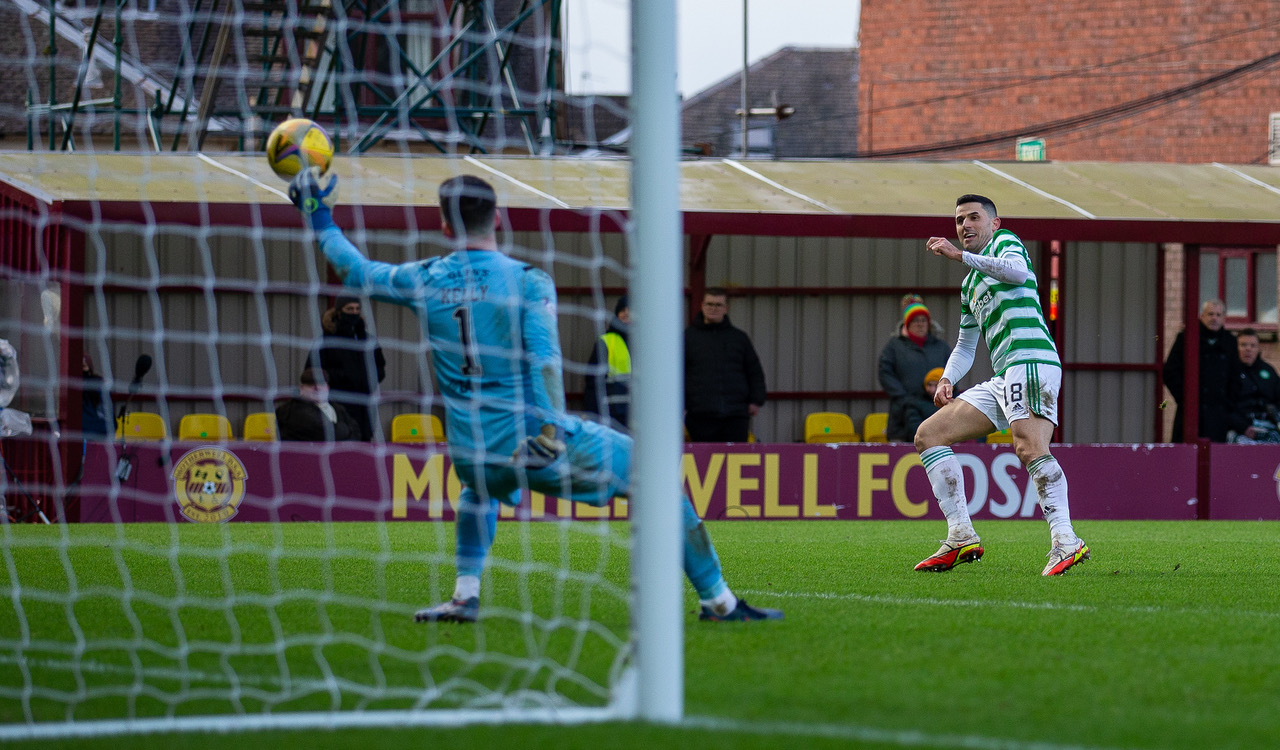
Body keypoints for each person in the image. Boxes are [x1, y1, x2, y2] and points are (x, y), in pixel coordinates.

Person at [288, 168, 782, 623]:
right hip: (532, 440)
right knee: (653, 477)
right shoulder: (528, 280)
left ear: (443, 225)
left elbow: (355, 269)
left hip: (472, 452)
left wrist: (318, 214)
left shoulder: (423, 278)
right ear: (498, 218)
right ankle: (719, 601)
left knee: (478, 491)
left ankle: (464, 595)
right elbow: (545, 358)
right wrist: (551, 429)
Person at [915, 194, 1089, 577]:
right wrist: (947, 377)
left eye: (973, 217)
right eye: (959, 220)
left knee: (1029, 448)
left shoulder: (1005, 242)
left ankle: (1066, 539)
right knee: (929, 435)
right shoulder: (969, 285)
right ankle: (961, 535)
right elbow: (966, 345)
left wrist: (960, 256)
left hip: (1031, 360)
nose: (965, 225)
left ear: (994, 223)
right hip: (1004, 374)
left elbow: (1017, 273)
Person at [683, 288, 767, 442]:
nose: (713, 308)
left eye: (718, 305)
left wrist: (756, 400)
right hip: (700, 416)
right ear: (702, 306)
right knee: (704, 457)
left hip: (736, 416)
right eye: (709, 304)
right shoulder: (687, 338)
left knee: (736, 456)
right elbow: (677, 374)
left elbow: (754, 371)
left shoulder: (739, 338)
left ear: (726, 308)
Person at [307, 295, 386, 441]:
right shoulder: (326, 341)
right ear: (338, 312)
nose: (354, 312)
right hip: (335, 404)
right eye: (349, 309)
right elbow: (312, 372)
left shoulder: (368, 341)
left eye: (357, 309)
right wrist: (342, 376)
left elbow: (380, 369)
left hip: (364, 407)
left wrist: (367, 380)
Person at [1162, 299, 1237, 443]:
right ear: (1202, 316)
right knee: (1187, 452)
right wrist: (1184, 398)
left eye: (1218, 315)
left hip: (1219, 415)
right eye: (1210, 314)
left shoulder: (1230, 342)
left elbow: (1235, 376)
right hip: (1191, 413)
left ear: (1224, 318)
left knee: (1215, 453)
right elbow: (1170, 371)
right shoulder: (1187, 338)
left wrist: (1228, 404)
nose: (1214, 318)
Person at [879, 295, 951, 442]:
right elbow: (885, 374)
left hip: (935, 412)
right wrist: (903, 397)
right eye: (915, 320)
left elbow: (953, 372)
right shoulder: (894, 347)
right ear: (907, 324)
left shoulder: (941, 347)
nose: (920, 324)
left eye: (923, 320)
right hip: (902, 415)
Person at [582, 295, 631, 431]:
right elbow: (592, 383)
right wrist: (593, 415)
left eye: (630, 310)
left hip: (642, 416)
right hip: (613, 418)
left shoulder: (649, 343)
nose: (626, 313)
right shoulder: (606, 341)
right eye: (622, 310)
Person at [275, 367, 363, 441]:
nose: (317, 388)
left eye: (321, 384)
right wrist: (346, 430)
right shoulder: (293, 410)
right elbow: (324, 432)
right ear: (301, 389)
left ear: (327, 388)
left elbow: (357, 433)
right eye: (311, 384)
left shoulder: (338, 408)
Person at [1226, 328, 1280, 444]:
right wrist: (1243, 427)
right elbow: (1224, 407)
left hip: (1268, 426)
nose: (1248, 349)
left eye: (1253, 346)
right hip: (1240, 429)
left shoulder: (1268, 371)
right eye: (1243, 345)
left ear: (1258, 348)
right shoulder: (1228, 372)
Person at [80, 354, 112, 439]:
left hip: (97, 435)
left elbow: (107, 417)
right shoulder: (69, 387)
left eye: (83, 366)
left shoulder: (98, 387)